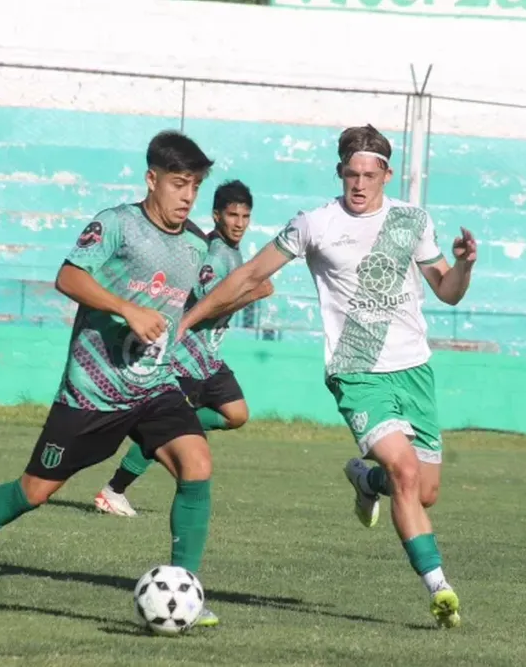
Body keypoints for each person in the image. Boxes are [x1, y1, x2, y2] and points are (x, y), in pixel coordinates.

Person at [0, 130, 225, 626]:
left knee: (197, 464)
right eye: (179, 183)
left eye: (195, 187)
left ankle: (184, 593)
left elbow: (188, 308)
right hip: (92, 392)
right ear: (152, 179)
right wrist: (126, 309)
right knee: (33, 491)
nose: (187, 196)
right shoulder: (116, 225)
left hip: (153, 386)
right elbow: (68, 277)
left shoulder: (197, 248)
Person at [175, 124, 476, 629]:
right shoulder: (313, 224)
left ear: (386, 174)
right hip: (356, 371)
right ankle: (439, 588)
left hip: (414, 371)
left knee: (423, 492)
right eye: (350, 174)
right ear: (340, 172)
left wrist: (465, 265)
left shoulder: (413, 220)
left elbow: (447, 291)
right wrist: (187, 319)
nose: (359, 184)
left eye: (369, 175)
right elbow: (250, 275)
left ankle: (364, 477)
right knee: (405, 474)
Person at [95, 179, 273, 518]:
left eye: (245, 216)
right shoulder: (214, 254)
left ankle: (181, 424)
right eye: (232, 215)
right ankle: (113, 489)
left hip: (209, 359)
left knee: (237, 414)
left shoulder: (232, 252)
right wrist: (253, 293)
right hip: (186, 357)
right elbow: (206, 309)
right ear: (217, 215)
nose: (239, 223)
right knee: (167, 429)